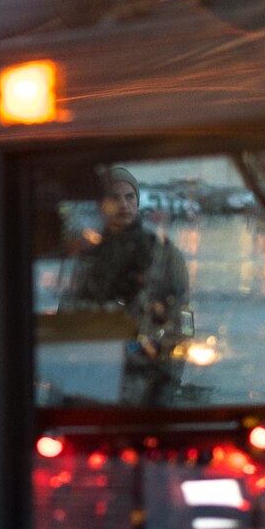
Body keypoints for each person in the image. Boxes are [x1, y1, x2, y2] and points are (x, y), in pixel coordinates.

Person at [68, 165, 191, 399]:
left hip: (148, 379)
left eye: (130, 197)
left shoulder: (164, 254)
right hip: (94, 381)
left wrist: (171, 376)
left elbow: (184, 318)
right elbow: (71, 312)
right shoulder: (88, 257)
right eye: (115, 197)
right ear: (102, 204)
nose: (123, 204)